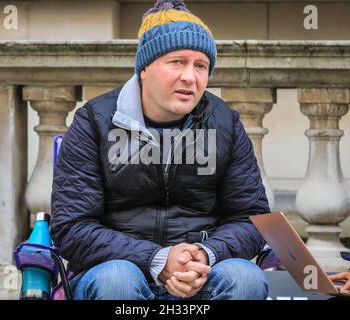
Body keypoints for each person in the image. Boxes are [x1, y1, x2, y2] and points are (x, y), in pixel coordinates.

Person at [51, 0, 270, 300]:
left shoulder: (225, 123)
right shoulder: (94, 121)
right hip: (117, 267)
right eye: (177, 61)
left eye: (201, 65)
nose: (190, 77)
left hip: (201, 272)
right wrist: (158, 259)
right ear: (145, 68)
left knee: (245, 279)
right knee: (117, 281)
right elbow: (71, 228)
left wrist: (206, 255)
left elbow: (251, 219)